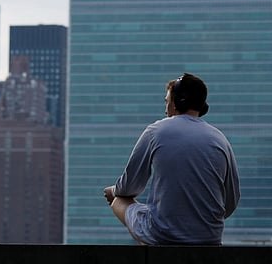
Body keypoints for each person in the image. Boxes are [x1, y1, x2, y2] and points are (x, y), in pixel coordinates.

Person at [103, 73, 240, 245]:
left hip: (164, 236)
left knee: (119, 200)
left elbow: (130, 187)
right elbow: (231, 201)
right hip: (209, 239)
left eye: (167, 102)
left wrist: (113, 191)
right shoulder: (220, 139)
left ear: (176, 103)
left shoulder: (156, 131)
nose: (165, 109)